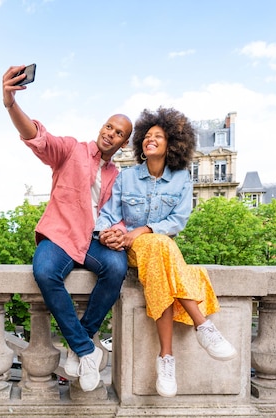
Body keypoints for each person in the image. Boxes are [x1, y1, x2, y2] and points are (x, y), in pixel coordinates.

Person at [2, 65, 133, 392]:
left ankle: (80, 342)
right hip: (60, 236)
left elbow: (119, 217)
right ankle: (87, 349)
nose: (110, 134)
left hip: (92, 241)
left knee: (116, 267)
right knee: (45, 271)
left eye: (118, 133)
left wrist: (118, 234)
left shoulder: (118, 177)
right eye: (108, 126)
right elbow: (36, 136)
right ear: (101, 127)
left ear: (124, 143)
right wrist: (10, 103)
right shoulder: (72, 150)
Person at [94, 107, 237, 398]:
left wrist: (142, 230)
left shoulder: (182, 179)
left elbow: (177, 221)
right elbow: (108, 214)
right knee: (160, 247)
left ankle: (166, 359)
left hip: (157, 247)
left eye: (158, 136)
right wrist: (107, 234)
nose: (150, 139)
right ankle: (203, 326)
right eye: (146, 136)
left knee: (160, 248)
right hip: (131, 249)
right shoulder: (126, 177)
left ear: (172, 144)